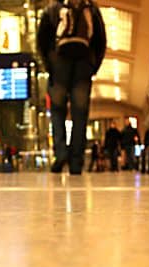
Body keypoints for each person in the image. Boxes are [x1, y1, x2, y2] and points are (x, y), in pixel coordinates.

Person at [38, 0, 107, 175]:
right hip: (84, 63)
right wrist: (93, 66)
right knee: (80, 113)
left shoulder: (53, 9)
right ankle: (76, 162)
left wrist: (49, 65)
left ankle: (60, 153)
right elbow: (100, 41)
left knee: (57, 110)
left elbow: (42, 39)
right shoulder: (91, 8)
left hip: (59, 62)